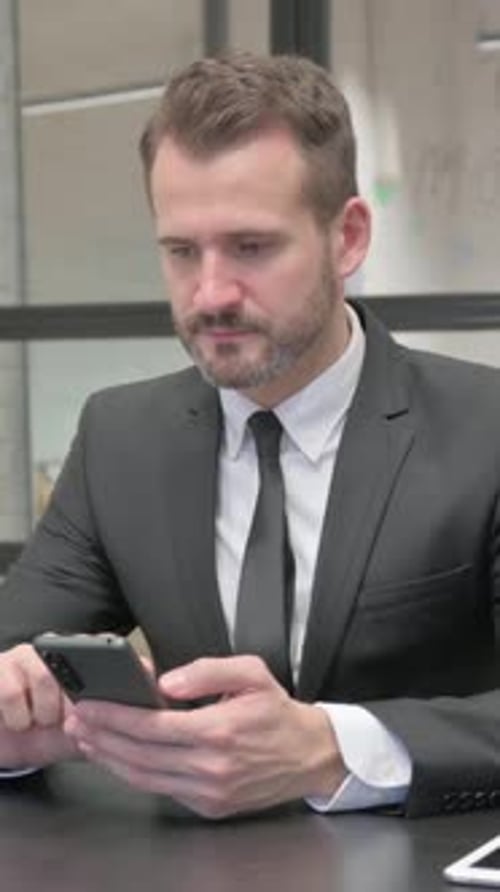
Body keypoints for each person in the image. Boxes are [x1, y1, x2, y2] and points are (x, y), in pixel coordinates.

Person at [1, 51, 500, 820]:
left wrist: (332, 747)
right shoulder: (119, 436)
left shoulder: (484, 431)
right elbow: (16, 647)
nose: (210, 294)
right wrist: (21, 724)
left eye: (252, 248)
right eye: (181, 252)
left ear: (350, 237)